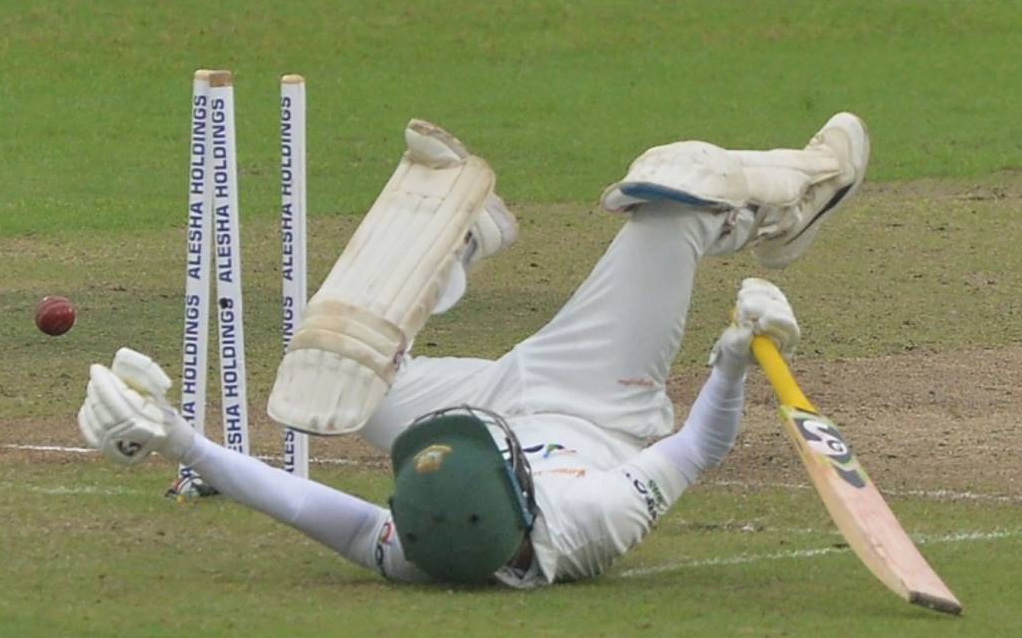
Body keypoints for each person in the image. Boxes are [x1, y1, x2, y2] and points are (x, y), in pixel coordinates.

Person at [77, 112, 870, 588]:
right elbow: (698, 448)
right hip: (592, 395)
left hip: (486, 411)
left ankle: (458, 246)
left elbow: (293, 501)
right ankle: (802, 193)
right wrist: (734, 355)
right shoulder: (593, 519)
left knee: (331, 366)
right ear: (523, 499)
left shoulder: (416, 544)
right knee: (678, 183)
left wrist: (177, 438)